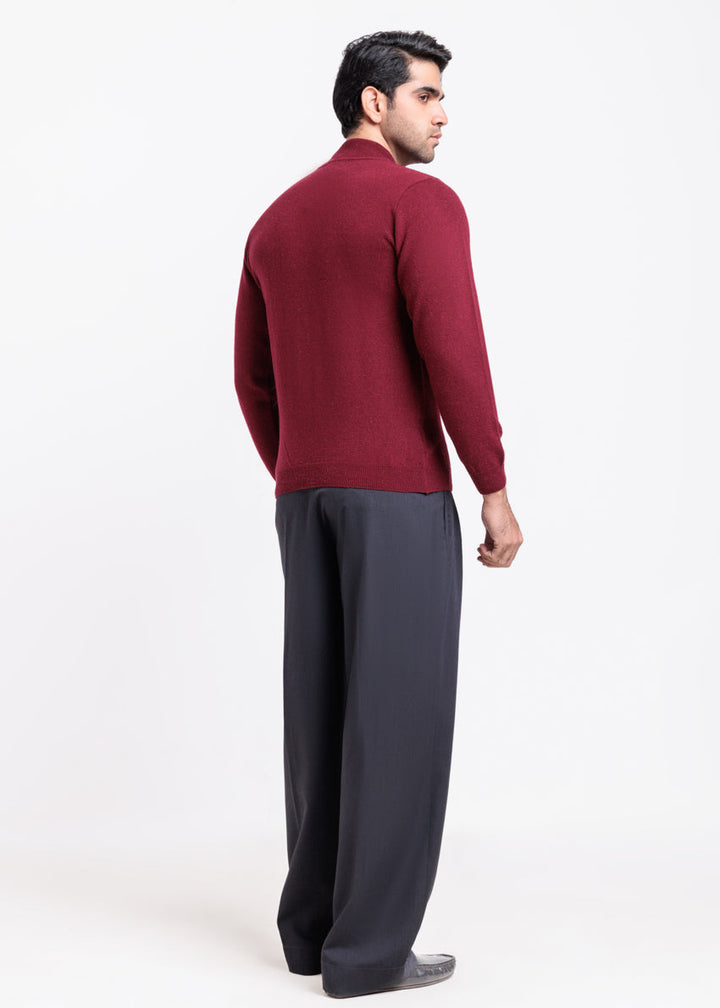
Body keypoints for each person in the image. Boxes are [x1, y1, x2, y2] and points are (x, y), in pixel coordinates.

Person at [234, 28, 523, 999]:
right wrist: (491, 485)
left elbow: (251, 376)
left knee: (318, 714)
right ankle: (368, 956)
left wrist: (301, 471)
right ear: (374, 101)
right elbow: (454, 350)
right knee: (398, 720)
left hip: (303, 496)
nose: (443, 115)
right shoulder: (419, 203)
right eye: (428, 95)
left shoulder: (276, 221)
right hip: (396, 496)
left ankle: (312, 933)